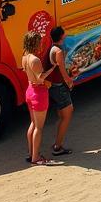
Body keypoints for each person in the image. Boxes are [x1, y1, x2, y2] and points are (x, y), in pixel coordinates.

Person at [42, 25, 75, 158]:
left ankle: (57, 142)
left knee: (61, 115)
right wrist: (70, 81)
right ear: (62, 36)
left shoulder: (51, 48)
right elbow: (62, 71)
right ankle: (58, 146)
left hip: (53, 88)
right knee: (67, 114)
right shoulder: (58, 51)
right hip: (59, 87)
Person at [22, 30, 51, 166]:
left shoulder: (25, 57)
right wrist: (53, 68)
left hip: (30, 91)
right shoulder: (35, 60)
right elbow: (41, 78)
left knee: (33, 124)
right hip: (39, 93)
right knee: (39, 128)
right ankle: (35, 158)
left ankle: (31, 153)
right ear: (35, 43)